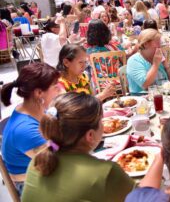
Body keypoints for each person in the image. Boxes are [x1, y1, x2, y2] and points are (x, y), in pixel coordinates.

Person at [21, 93, 135, 201]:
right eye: (101, 120)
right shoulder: (106, 172)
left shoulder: (38, 161)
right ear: (90, 135)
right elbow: (144, 197)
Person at [1, 63, 61, 194]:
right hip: (32, 186)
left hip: (41, 171)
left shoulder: (29, 109)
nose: (59, 89)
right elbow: (57, 159)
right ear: (39, 93)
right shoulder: (25, 130)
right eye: (55, 86)